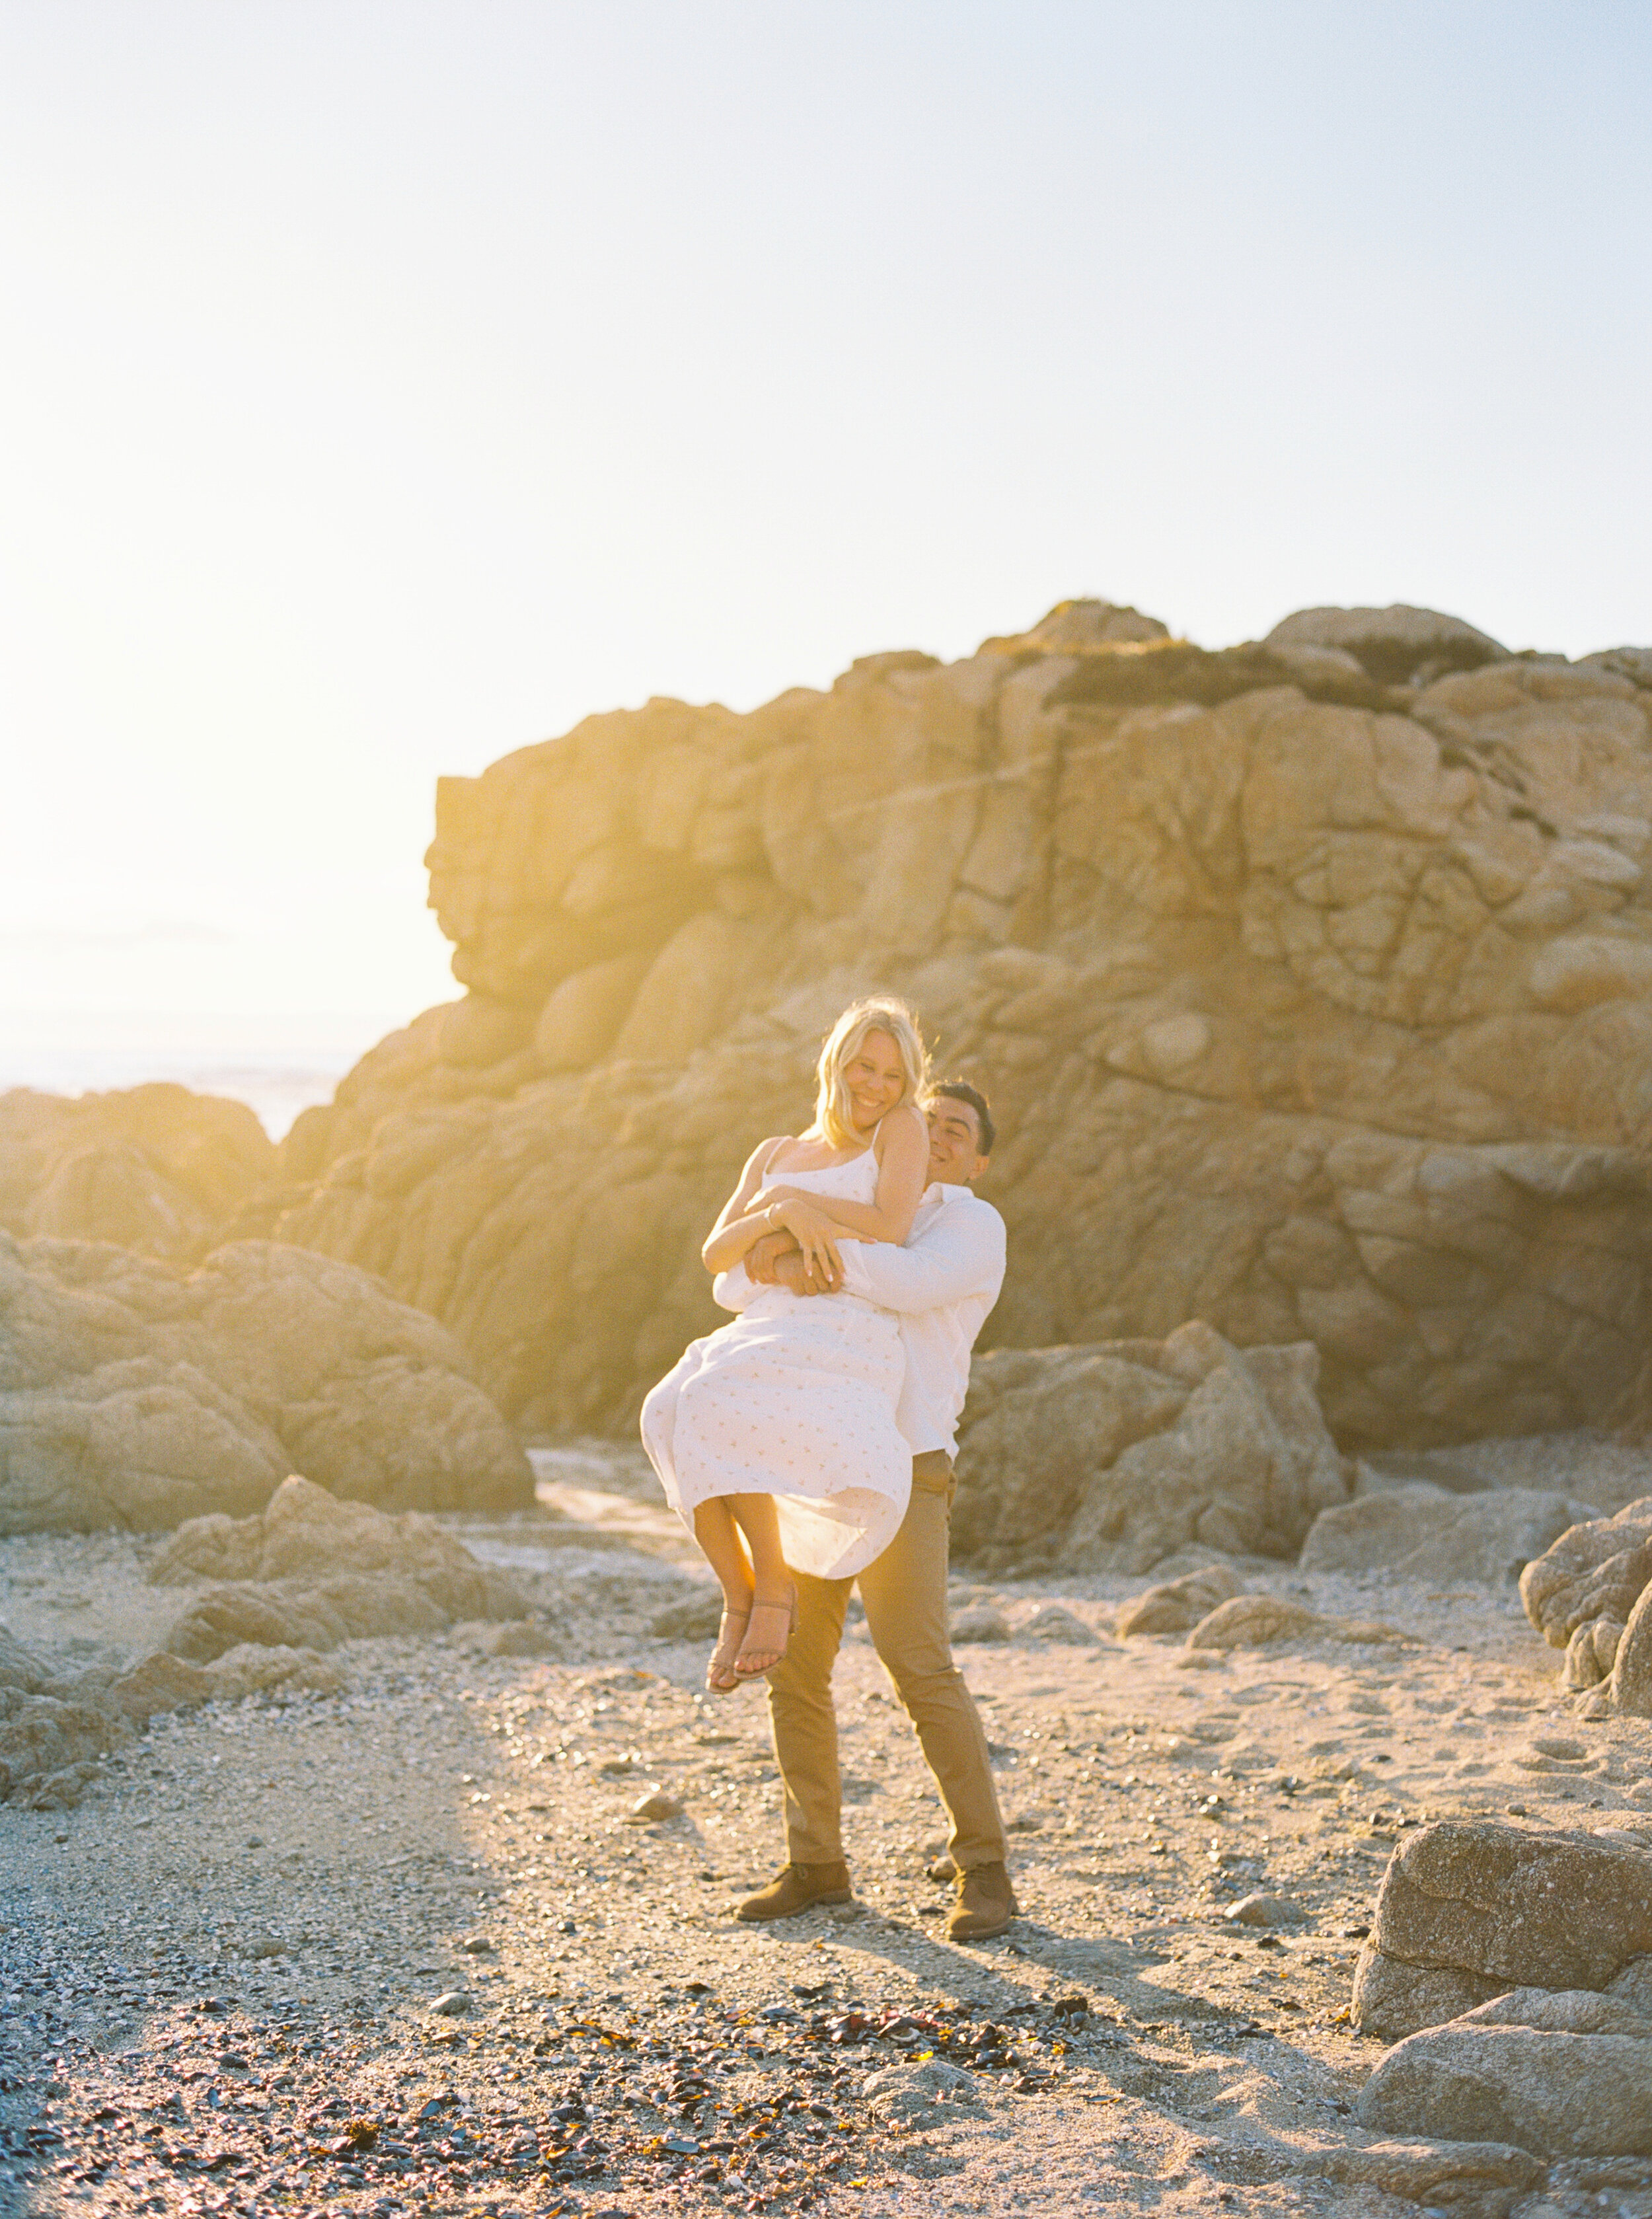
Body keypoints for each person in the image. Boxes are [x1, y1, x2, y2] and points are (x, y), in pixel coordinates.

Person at [714, 1082, 1018, 1943]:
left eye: (957, 1130)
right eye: (925, 1127)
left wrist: (800, 1243)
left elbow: (909, 1285)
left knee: (919, 1663)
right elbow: (740, 1280)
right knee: (796, 1667)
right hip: (814, 1460)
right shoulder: (862, 1194)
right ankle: (816, 1865)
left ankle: (985, 1869)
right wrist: (788, 1245)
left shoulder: (970, 1223)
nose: (939, 1140)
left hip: (909, 1465)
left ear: (978, 1157)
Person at [640, 997, 932, 1692]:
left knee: (712, 1397)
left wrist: (794, 1219)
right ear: (835, 1062)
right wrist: (782, 1210)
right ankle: (737, 1594)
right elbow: (717, 1252)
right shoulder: (774, 1153)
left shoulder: (900, 1129)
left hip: (837, 1323)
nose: (876, 1085)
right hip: (763, 1324)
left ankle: (771, 1590)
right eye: (864, 1066)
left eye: (893, 1075)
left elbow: (890, 1224)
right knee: (666, 1408)